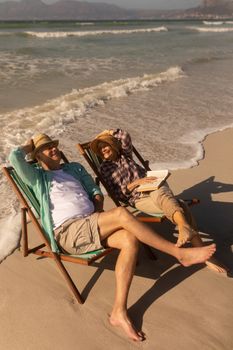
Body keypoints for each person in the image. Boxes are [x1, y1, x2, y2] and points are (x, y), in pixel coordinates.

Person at [9, 133, 216, 342]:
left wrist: (97, 207)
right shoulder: (37, 177)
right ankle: (179, 253)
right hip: (68, 232)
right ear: (37, 156)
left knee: (129, 239)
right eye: (46, 148)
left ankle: (119, 311)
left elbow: (94, 190)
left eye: (53, 145)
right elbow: (14, 158)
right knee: (121, 214)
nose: (53, 149)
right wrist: (29, 147)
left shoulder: (74, 169)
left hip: (91, 224)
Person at [90, 128, 227, 274]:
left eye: (105, 145)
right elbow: (117, 194)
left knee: (160, 190)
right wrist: (137, 183)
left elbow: (124, 135)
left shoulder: (125, 155)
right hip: (138, 197)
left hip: (153, 186)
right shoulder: (105, 168)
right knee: (179, 205)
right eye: (100, 149)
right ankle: (197, 244)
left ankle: (190, 237)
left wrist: (108, 132)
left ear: (113, 145)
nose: (103, 150)